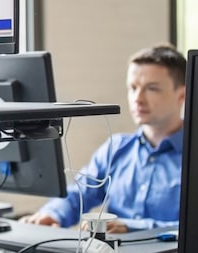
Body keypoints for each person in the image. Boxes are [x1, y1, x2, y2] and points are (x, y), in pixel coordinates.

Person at [22, 43, 187, 234]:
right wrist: (52, 214)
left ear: (181, 95)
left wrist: (133, 227)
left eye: (152, 89)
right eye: (133, 88)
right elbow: (79, 194)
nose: (137, 98)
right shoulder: (116, 148)